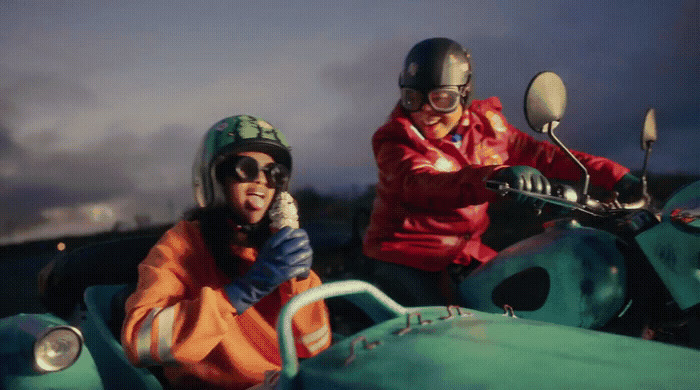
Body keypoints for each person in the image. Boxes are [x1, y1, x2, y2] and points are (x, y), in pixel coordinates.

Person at [361, 38, 640, 307]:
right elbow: (425, 184)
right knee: (445, 334)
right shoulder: (395, 140)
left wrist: (614, 174)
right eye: (412, 98)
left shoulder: (488, 126)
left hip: (466, 253)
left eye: (441, 99)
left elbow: (543, 155)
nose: (425, 110)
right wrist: (495, 177)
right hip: (408, 256)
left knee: (521, 304)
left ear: (464, 94)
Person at [121, 115, 331, 389]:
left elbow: (314, 346)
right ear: (213, 180)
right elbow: (140, 342)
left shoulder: (275, 245)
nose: (263, 182)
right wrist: (241, 292)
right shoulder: (181, 244)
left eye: (274, 173)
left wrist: (299, 285)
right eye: (245, 169)